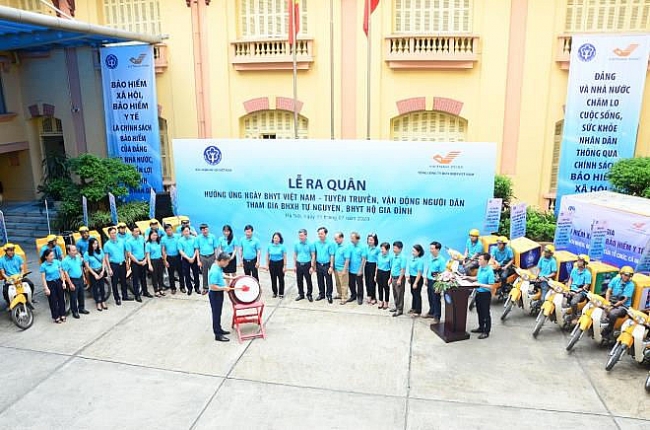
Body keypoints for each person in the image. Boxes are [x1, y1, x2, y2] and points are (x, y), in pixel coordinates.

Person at [465, 252, 495, 339]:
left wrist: (479, 284)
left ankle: (486, 331)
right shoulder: (481, 268)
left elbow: (491, 286)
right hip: (478, 293)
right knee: (479, 311)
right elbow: (477, 278)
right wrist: (468, 277)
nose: (478, 260)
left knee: (485, 313)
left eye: (480, 259)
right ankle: (481, 327)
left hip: (485, 294)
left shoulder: (490, 271)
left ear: (486, 261)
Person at [207, 253, 235, 342]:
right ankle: (217, 335)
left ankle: (219, 329)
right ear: (222, 261)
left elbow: (221, 275)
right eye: (227, 262)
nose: (227, 264)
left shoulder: (217, 266)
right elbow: (212, 286)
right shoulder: (214, 271)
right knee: (216, 314)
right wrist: (224, 288)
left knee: (218, 313)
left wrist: (232, 278)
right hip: (215, 294)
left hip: (218, 293)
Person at [602, 266, 636, 336]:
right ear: (621, 274)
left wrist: (612, 307)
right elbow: (608, 291)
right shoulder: (615, 280)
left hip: (623, 306)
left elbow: (623, 300)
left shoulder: (631, 285)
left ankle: (609, 330)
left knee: (613, 313)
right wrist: (607, 302)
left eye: (629, 276)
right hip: (612, 301)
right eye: (625, 275)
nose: (627, 277)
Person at [104, 227, 131, 305]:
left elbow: (125, 252)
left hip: (122, 263)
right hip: (114, 265)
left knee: (124, 280)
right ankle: (117, 298)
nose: (114, 234)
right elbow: (106, 257)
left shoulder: (121, 241)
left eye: (115, 233)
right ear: (109, 234)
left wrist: (127, 262)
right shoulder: (107, 245)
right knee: (114, 282)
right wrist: (109, 269)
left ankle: (125, 296)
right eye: (112, 233)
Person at [40, 249, 66, 323]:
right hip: (50, 283)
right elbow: (43, 278)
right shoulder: (43, 266)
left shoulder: (57, 262)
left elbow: (61, 272)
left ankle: (62, 314)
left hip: (58, 281)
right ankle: (56, 316)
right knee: (53, 301)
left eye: (53, 255)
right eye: (51, 256)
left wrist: (63, 282)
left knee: (61, 299)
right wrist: (46, 288)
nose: (52, 257)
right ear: (46, 257)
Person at [62, 244, 88, 319]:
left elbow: (80, 267)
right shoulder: (65, 261)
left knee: (81, 294)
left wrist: (84, 277)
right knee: (74, 297)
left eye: (75, 250)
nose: (75, 252)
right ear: (68, 251)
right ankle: (75, 311)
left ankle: (81, 308)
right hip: (73, 280)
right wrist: (70, 284)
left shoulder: (77, 257)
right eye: (73, 250)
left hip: (80, 278)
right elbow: (66, 273)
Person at [423, 241, 446, 323]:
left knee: (436, 299)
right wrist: (426, 278)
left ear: (438, 249)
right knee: (430, 298)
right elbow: (428, 268)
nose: (431, 250)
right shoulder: (430, 257)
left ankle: (437, 317)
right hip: (429, 280)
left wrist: (439, 286)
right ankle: (431, 312)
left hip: (436, 281)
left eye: (432, 249)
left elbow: (442, 274)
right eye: (430, 248)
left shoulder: (441, 260)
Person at [126, 226, 150, 302]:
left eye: (138, 231)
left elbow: (145, 249)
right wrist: (138, 262)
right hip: (135, 262)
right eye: (136, 231)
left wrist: (145, 259)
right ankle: (137, 295)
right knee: (135, 279)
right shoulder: (129, 242)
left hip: (143, 261)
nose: (137, 233)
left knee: (143, 278)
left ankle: (145, 292)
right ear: (132, 232)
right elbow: (129, 254)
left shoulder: (142, 238)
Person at [84, 237, 108, 311]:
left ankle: (103, 301)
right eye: (94, 244)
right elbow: (87, 265)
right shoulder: (87, 254)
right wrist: (94, 274)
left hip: (100, 270)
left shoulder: (100, 250)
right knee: (95, 288)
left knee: (102, 287)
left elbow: (103, 260)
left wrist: (103, 270)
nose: (95, 245)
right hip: (93, 272)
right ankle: (98, 302)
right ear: (90, 245)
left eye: (96, 243)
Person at [567, 254, 592, 321]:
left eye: (580, 261)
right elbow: (570, 280)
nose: (578, 262)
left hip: (581, 292)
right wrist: (568, 289)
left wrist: (579, 290)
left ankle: (574, 317)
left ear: (584, 263)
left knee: (573, 302)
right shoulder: (574, 270)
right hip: (572, 289)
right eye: (578, 260)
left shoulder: (587, 273)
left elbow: (586, 285)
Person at [314, 227, 335, 303]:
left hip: (327, 265)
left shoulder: (330, 243)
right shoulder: (316, 243)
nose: (320, 235)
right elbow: (315, 254)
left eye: (321, 233)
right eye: (319, 234)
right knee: (320, 280)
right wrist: (314, 265)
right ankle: (321, 294)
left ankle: (329, 295)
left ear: (325, 234)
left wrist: (331, 266)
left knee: (328, 280)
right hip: (318, 264)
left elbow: (332, 255)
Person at [293, 228, 315, 302]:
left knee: (308, 280)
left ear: (306, 235)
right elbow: (295, 254)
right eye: (299, 236)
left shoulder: (310, 244)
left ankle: (309, 294)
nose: (300, 237)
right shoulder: (296, 244)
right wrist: (295, 265)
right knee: (299, 280)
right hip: (299, 264)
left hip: (307, 264)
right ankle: (301, 294)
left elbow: (313, 255)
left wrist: (312, 266)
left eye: (302, 236)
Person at [197, 223, 218, 295]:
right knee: (204, 273)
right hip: (203, 257)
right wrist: (198, 260)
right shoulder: (198, 238)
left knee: (213, 273)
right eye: (203, 230)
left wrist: (216, 259)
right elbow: (197, 249)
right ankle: (205, 288)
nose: (205, 231)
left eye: (206, 229)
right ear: (201, 231)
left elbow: (215, 248)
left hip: (212, 256)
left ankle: (215, 287)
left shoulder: (213, 237)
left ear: (208, 229)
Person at [179, 225, 200, 295]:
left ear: (189, 231)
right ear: (182, 232)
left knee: (196, 274)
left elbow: (196, 249)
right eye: (185, 231)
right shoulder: (180, 240)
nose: (186, 232)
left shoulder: (194, 239)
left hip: (194, 258)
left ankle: (197, 287)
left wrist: (193, 258)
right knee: (187, 274)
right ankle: (189, 288)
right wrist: (188, 258)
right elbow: (181, 251)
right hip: (185, 259)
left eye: (187, 231)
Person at [348, 232, 367, 305]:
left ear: (357, 238)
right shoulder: (350, 246)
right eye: (351, 238)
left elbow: (363, 259)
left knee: (359, 284)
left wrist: (360, 270)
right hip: (350, 269)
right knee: (351, 283)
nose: (351, 240)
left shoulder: (362, 247)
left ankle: (360, 297)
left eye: (352, 238)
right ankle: (353, 295)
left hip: (358, 269)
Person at [266, 232, 287, 298]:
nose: (276, 239)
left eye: (277, 238)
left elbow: (285, 257)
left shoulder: (282, 247)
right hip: (272, 263)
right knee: (273, 278)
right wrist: (267, 265)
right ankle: (274, 292)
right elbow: (267, 256)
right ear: (273, 239)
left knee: (281, 279)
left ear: (280, 239)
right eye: (275, 238)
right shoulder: (269, 246)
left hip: (280, 263)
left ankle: (281, 293)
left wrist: (285, 266)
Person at [146, 230, 166, 297]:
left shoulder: (159, 243)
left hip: (160, 260)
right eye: (153, 235)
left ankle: (161, 289)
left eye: (156, 235)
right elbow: (148, 255)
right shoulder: (148, 244)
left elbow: (162, 251)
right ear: (150, 236)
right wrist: (149, 264)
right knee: (154, 276)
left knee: (160, 275)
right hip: (153, 261)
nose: (154, 237)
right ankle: (156, 290)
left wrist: (164, 260)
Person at [390, 241, 407, 317]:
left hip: (399, 278)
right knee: (395, 294)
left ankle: (400, 310)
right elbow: (392, 268)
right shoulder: (393, 257)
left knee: (400, 294)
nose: (394, 249)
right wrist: (390, 278)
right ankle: (396, 306)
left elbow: (403, 269)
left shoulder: (403, 257)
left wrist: (400, 279)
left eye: (395, 248)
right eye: (393, 248)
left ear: (400, 249)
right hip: (393, 277)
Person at [333, 232, 351, 305]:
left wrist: (344, 270)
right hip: (336, 268)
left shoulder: (345, 247)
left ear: (341, 238)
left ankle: (344, 298)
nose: (335, 240)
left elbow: (347, 259)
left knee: (344, 284)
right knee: (338, 283)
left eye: (336, 239)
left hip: (342, 269)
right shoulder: (336, 246)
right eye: (334, 239)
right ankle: (340, 294)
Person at [408, 244, 425, 317]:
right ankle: (413, 308)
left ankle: (418, 311)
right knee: (413, 293)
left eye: (414, 251)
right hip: (412, 277)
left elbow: (419, 273)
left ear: (419, 252)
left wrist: (415, 283)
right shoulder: (412, 259)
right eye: (412, 251)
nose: (412, 252)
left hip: (417, 279)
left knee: (417, 295)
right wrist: (409, 277)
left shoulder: (420, 261)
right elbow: (411, 269)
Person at [375, 242, 392, 310]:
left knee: (386, 288)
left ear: (387, 250)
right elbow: (377, 265)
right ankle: (381, 301)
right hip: (379, 272)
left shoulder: (390, 257)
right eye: (381, 249)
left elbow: (391, 268)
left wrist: (390, 278)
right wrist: (375, 275)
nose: (381, 250)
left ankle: (386, 302)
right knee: (380, 287)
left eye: (383, 249)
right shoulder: (379, 255)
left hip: (386, 273)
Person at [365, 233, 380, 305]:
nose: (370, 241)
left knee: (372, 282)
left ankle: (373, 297)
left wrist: (377, 270)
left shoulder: (377, 250)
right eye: (369, 240)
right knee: (367, 281)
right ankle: (369, 295)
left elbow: (378, 261)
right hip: (367, 265)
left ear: (375, 241)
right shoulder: (366, 248)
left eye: (371, 240)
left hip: (374, 265)